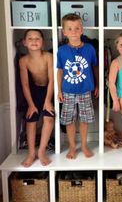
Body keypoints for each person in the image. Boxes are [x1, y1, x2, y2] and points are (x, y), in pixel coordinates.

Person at [57, 13, 98, 159]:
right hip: (68, 91)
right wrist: (59, 90)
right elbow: (60, 70)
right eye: (70, 29)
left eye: (76, 28)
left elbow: (95, 68)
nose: (73, 32)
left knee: (85, 119)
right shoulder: (62, 51)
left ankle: (84, 145)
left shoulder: (89, 49)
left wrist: (98, 84)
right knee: (69, 120)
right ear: (64, 32)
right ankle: (72, 146)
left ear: (82, 30)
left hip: (85, 90)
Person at [19, 29, 54, 167]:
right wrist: (31, 104)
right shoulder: (23, 61)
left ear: (43, 42)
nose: (34, 41)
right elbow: (25, 84)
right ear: (24, 42)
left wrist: (47, 101)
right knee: (31, 119)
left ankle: (41, 151)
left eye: (37, 38)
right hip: (33, 91)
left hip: (48, 90)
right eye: (30, 38)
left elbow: (52, 80)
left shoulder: (48, 57)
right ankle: (31, 152)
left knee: (49, 118)